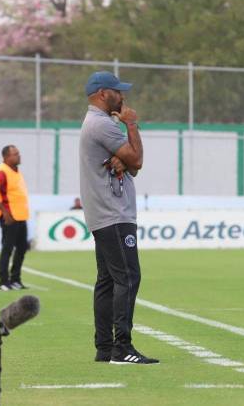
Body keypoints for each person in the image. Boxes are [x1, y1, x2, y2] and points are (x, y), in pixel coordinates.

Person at [79, 71, 159, 365]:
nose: (122, 96)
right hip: (114, 213)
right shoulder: (104, 124)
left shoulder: (99, 124)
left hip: (103, 213)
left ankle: (104, 348)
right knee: (128, 276)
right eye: (117, 91)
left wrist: (122, 156)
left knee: (108, 281)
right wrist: (132, 124)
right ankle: (122, 348)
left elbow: (132, 167)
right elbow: (137, 160)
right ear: (102, 94)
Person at [0, 145, 30, 292]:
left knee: (22, 248)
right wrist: (4, 212)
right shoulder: (2, 172)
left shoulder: (16, 172)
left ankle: (15, 279)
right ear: (6, 157)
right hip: (9, 218)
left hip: (21, 216)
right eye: (15, 154)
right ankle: (3, 282)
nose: (19, 156)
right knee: (7, 249)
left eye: (18, 153)